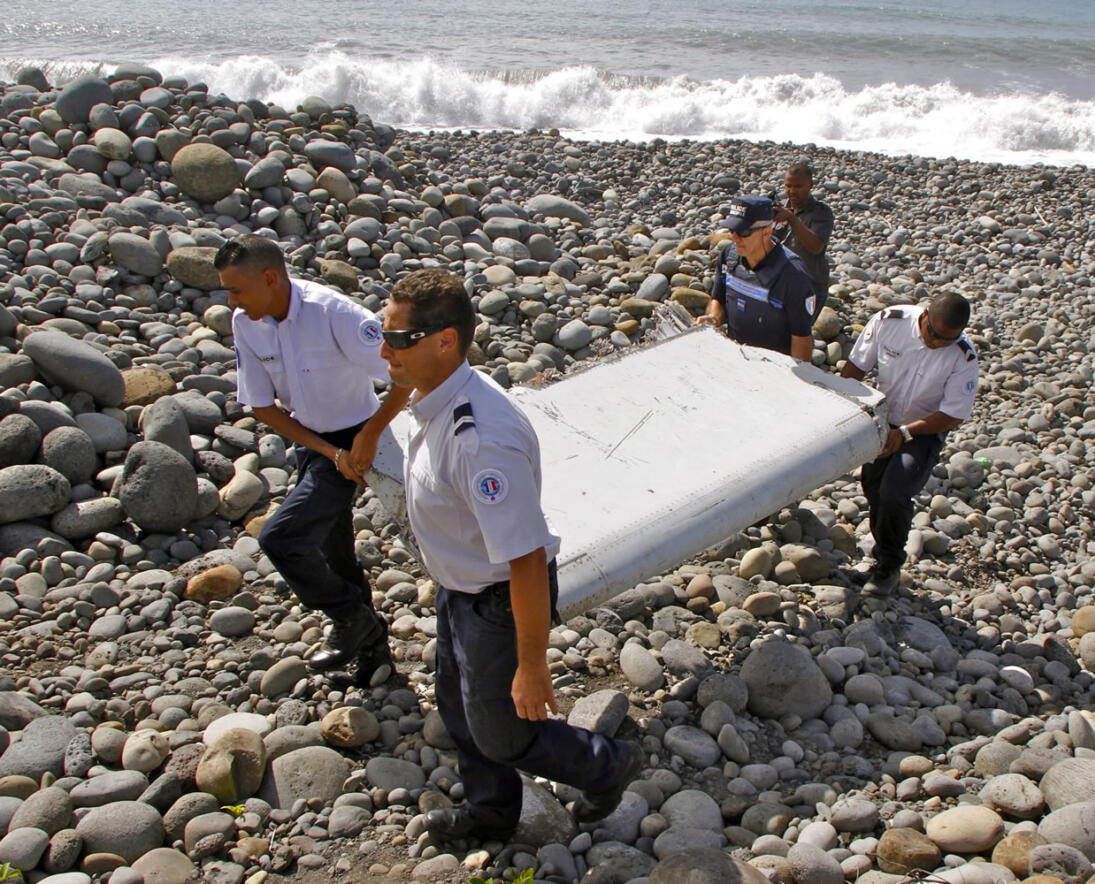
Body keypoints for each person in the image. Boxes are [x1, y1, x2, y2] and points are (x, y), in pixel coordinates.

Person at [381, 268, 643, 842]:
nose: (384, 351)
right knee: (457, 703)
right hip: (461, 588)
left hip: (498, 598)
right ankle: (491, 815)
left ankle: (608, 765)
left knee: (504, 730)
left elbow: (524, 560)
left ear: (445, 341)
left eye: (398, 340)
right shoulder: (436, 391)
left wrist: (532, 664)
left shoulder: (481, 440)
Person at [216, 234, 405, 685]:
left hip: (359, 434)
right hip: (316, 443)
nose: (230, 300)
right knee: (333, 551)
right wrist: (328, 453)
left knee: (281, 538)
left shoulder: (332, 313)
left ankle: (349, 618)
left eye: (236, 289)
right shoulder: (247, 322)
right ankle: (374, 655)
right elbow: (262, 407)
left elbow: (406, 372)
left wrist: (368, 436)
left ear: (269, 278)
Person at [840, 292, 979, 596]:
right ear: (925, 315)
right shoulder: (891, 323)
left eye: (946, 340)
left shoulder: (963, 355)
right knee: (873, 486)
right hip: (883, 417)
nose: (937, 343)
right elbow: (856, 368)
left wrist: (904, 434)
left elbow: (954, 413)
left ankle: (890, 564)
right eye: (933, 334)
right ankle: (878, 555)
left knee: (896, 490)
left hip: (924, 429)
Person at [700, 194, 818, 360]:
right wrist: (714, 318)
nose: (735, 238)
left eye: (744, 232)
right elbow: (717, 299)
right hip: (736, 358)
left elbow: (801, 339)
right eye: (732, 230)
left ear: (766, 232)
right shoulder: (729, 256)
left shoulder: (794, 276)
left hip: (774, 368)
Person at [772, 162, 835, 299]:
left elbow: (816, 246)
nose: (792, 191)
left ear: (810, 186)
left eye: (798, 186)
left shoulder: (821, 212)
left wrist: (792, 219)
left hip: (810, 286)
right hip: (780, 282)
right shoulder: (779, 208)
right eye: (788, 186)